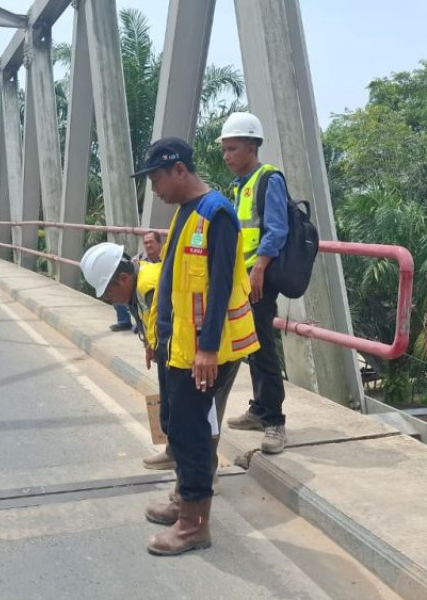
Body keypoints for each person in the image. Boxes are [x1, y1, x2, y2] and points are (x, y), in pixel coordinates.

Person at [133, 137, 259, 556]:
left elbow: (220, 287)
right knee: (177, 428)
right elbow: (173, 285)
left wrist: (207, 349)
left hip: (202, 352)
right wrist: (157, 338)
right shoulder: (187, 213)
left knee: (192, 435)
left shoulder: (216, 214)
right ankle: (181, 502)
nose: (154, 189)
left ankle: (194, 526)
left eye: (156, 179)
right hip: (177, 345)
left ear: (180, 170)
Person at [220, 112, 290, 455]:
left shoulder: (268, 179)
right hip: (244, 279)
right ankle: (259, 408)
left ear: (251, 146)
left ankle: (274, 421)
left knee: (262, 346)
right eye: (224, 150)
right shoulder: (242, 185)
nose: (226, 156)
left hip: (257, 279)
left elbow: (277, 229)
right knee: (250, 346)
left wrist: (259, 269)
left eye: (232, 148)